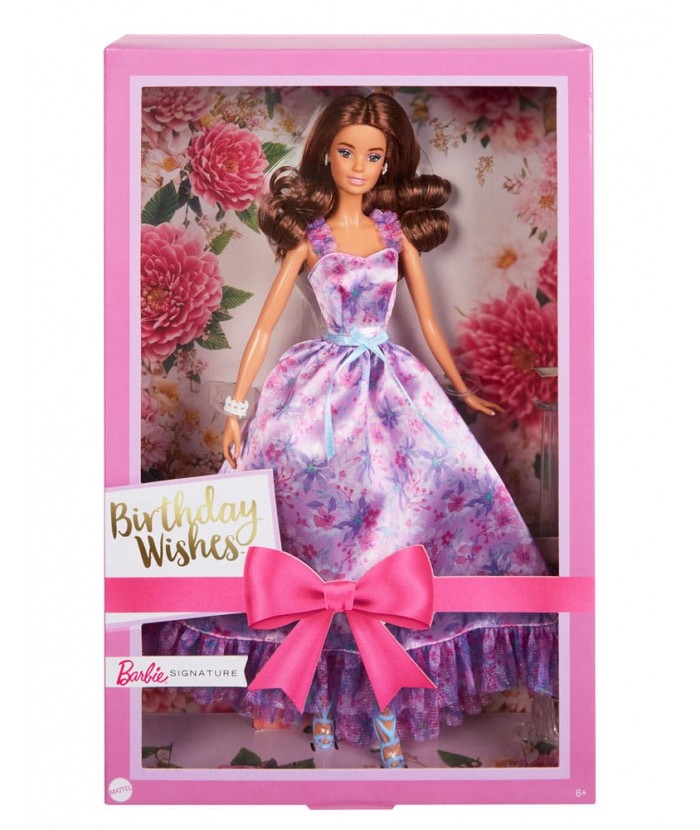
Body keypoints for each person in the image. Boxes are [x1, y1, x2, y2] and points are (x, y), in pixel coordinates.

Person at [145, 92, 557, 769]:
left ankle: (383, 712)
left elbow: (427, 323)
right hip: (319, 396)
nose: (359, 166)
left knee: (404, 525)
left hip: (392, 388)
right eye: (346, 151)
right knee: (314, 546)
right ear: (327, 156)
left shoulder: (394, 236)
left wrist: (459, 389)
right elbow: (264, 328)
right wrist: (237, 411)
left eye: (373, 155)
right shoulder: (312, 241)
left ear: (388, 162)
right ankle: (323, 709)